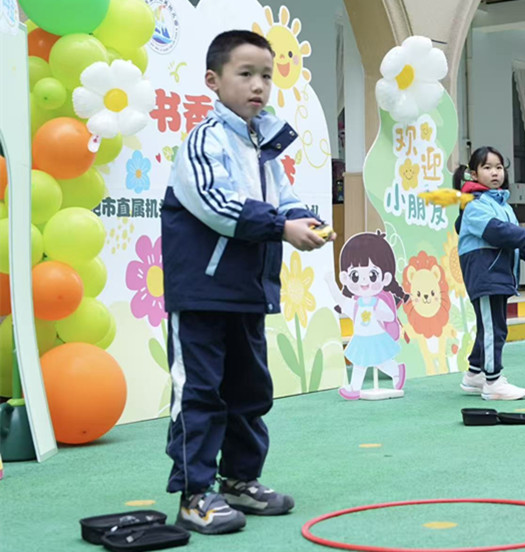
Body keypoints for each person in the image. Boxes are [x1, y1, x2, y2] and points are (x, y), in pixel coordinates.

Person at [161, 30, 333, 535]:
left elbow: (284, 199)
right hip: (202, 292)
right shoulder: (204, 140)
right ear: (213, 80)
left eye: (266, 76)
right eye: (245, 74)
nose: (258, 85)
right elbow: (215, 204)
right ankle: (194, 494)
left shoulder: (263, 147)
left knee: (249, 390)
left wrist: (304, 220)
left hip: (248, 292)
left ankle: (239, 480)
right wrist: (282, 227)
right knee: (200, 393)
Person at [454, 146, 525, 400]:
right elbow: (495, 231)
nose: (495, 172)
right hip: (485, 274)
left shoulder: (502, 204)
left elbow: (510, 240)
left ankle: (474, 375)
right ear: (473, 174)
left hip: (498, 274)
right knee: (494, 328)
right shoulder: (474, 204)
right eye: (487, 167)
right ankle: (493, 382)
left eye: (498, 167)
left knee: (490, 326)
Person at [325, 231, 407, 400]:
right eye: (355, 276)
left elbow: (390, 316)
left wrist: (377, 311)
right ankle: (355, 388)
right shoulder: (355, 304)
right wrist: (331, 283)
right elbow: (340, 299)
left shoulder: (378, 302)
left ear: (385, 278)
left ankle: (396, 371)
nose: (363, 281)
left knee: (379, 361)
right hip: (361, 338)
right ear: (345, 277)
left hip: (376, 337)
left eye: (371, 275)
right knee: (360, 363)